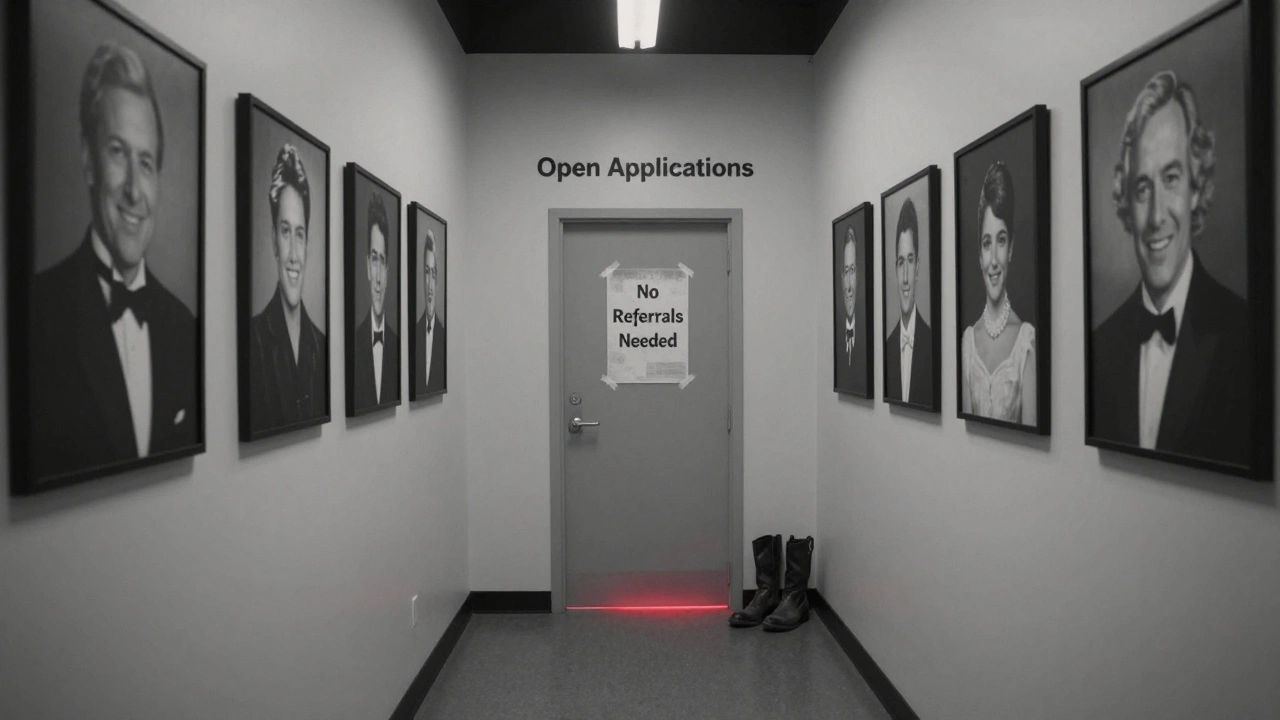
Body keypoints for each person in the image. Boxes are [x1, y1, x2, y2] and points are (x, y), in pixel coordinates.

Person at [28, 42, 198, 479]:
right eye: (118, 153)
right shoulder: (38, 314)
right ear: (88, 159)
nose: (134, 193)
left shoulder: (184, 328)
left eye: (146, 164)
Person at [1091, 70, 1249, 464]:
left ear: (1197, 188)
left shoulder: (1245, 336)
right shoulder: (1100, 346)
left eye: (1172, 178)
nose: (1157, 215)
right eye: (1143, 188)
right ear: (1126, 200)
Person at [247, 143, 327, 434]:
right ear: (272, 241)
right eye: (285, 232)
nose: (293, 253)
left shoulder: (323, 345)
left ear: (308, 244)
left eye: (300, 234)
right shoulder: (252, 340)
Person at [961, 161, 1036, 424]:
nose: (993, 259)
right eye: (986, 243)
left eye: (1001, 241)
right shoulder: (968, 342)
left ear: (1011, 248)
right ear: (979, 256)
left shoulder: (1026, 340)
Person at [883, 197, 932, 405]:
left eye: (910, 262)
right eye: (901, 262)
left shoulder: (932, 343)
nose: (904, 278)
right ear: (894, 268)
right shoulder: (887, 347)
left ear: (918, 267)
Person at [353, 192, 399, 408]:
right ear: (367, 267)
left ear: (388, 271)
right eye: (374, 260)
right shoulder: (353, 343)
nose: (378, 278)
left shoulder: (397, 346)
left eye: (382, 262)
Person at [835, 225, 866, 393]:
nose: (848, 287)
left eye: (852, 271)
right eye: (846, 272)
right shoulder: (837, 344)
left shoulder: (865, 338)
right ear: (841, 278)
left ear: (859, 274)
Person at [416, 228, 446, 395]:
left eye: (433, 274)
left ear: (438, 280)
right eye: (426, 272)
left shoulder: (443, 335)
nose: (429, 285)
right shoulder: (414, 333)